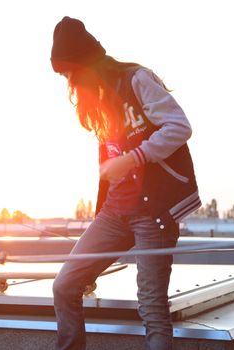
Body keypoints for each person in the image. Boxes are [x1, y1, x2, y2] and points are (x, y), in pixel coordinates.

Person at [50, 16, 201, 350]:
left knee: (151, 307)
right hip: (114, 213)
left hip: (154, 213)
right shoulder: (98, 103)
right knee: (64, 285)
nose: (69, 81)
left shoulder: (137, 79)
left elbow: (179, 127)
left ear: (84, 63)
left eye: (69, 72)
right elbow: (110, 160)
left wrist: (132, 158)